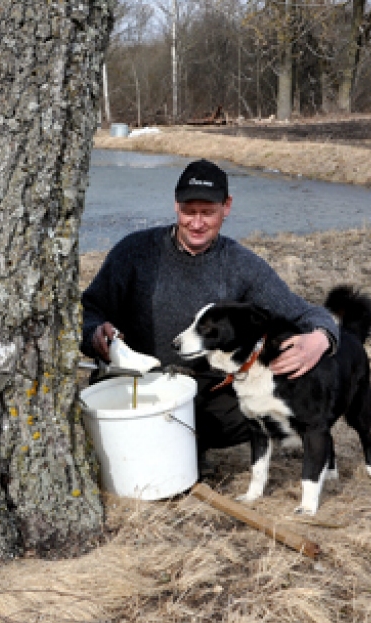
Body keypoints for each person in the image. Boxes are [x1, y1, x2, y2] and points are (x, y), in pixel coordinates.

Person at [80, 158, 339, 456]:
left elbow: (306, 314)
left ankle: (191, 442)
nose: (197, 223)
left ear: (226, 207)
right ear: (176, 206)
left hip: (203, 391)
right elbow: (89, 310)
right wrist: (94, 334)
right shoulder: (134, 251)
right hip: (132, 384)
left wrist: (320, 338)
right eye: (189, 212)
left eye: (208, 212)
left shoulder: (243, 265)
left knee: (265, 399)